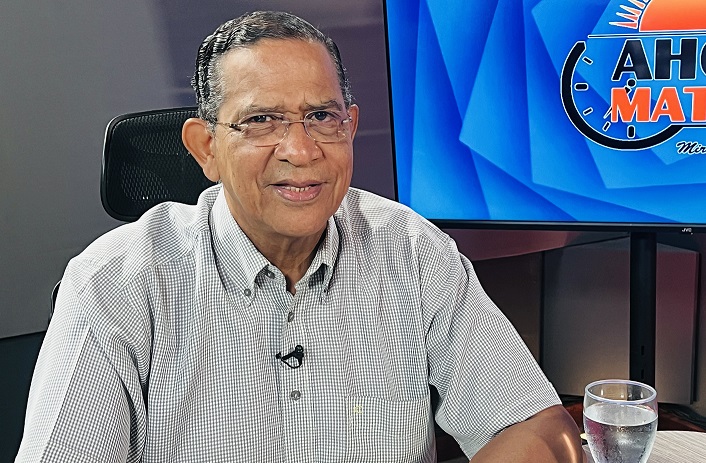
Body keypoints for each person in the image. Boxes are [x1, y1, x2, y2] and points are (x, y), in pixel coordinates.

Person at [17, 11, 584, 463]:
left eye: (321, 117)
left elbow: (537, 428)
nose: (301, 150)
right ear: (205, 148)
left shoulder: (413, 251)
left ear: (350, 127)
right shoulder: (115, 283)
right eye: (261, 120)